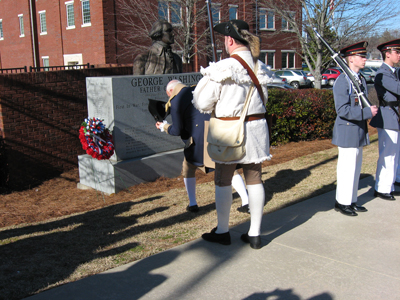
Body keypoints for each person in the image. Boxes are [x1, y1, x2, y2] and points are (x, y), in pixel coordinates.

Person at [192, 20, 272, 249]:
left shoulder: (223, 67)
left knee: (223, 180)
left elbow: (202, 102)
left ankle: (222, 230)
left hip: (228, 131)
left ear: (229, 40)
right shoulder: (261, 66)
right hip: (256, 129)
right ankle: (255, 234)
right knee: (254, 179)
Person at [155, 80, 249, 212]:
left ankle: (193, 204)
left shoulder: (177, 100)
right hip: (216, 133)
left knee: (189, 168)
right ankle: (246, 200)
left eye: (168, 95)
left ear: (171, 91)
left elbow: (177, 130)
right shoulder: (199, 89)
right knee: (226, 167)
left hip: (199, 141)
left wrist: (163, 127)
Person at [332, 42, 378, 216]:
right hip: (347, 129)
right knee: (347, 168)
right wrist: (366, 112)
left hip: (358, 129)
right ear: (351, 58)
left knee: (355, 167)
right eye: (361, 56)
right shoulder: (343, 80)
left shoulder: (360, 79)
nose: (365, 59)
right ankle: (342, 202)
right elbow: (342, 109)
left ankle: (351, 200)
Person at [369, 39, 400, 201]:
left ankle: (391, 183)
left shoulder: (395, 71)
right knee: (387, 154)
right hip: (387, 115)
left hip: (394, 115)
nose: (399, 55)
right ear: (387, 54)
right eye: (397, 52)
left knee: (395, 153)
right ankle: (381, 188)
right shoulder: (383, 73)